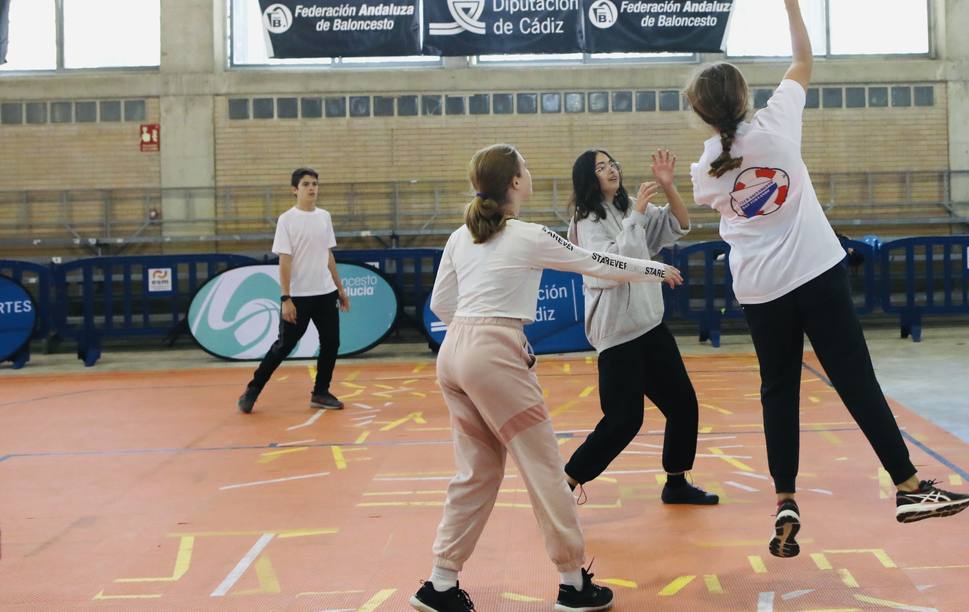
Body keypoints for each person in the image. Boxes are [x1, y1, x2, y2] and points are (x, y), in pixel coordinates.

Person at [685, 0, 969, 559]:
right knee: (854, 380)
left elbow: (723, 205)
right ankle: (909, 485)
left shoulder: (704, 170)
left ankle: (785, 499)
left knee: (777, 392)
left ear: (703, 115)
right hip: (817, 274)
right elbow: (803, 60)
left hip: (761, 291)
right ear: (743, 98)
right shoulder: (779, 126)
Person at [412, 144, 684, 612]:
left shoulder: (461, 236)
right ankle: (573, 584)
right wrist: (655, 269)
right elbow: (601, 264)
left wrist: (483, 331)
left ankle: (439, 583)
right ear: (515, 182)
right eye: (525, 168)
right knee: (545, 472)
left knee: (476, 473)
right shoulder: (529, 234)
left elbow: (441, 305)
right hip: (490, 355)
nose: (530, 173)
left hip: (453, 354)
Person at [562, 148, 718, 506]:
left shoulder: (627, 206)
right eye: (601, 168)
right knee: (623, 421)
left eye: (612, 163)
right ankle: (566, 481)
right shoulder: (586, 221)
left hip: (649, 326)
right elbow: (617, 265)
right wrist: (638, 215)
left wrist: (668, 186)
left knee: (683, 405)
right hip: (617, 336)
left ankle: (676, 482)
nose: (610, 170)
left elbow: (678, 224)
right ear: (589, 179)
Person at [238, 167, 348, 414]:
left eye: (315, 184)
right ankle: (252, 390)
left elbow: (327, 254)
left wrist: (340, 288)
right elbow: (285, 260)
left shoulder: (324, 217)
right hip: (298, 297)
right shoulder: (287, 220)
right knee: (284, 346)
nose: (312, 188)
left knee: (331, 342)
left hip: (325, 293)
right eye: (307, 184)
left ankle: (320, 392)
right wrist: (285, 298)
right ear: (295, 189)